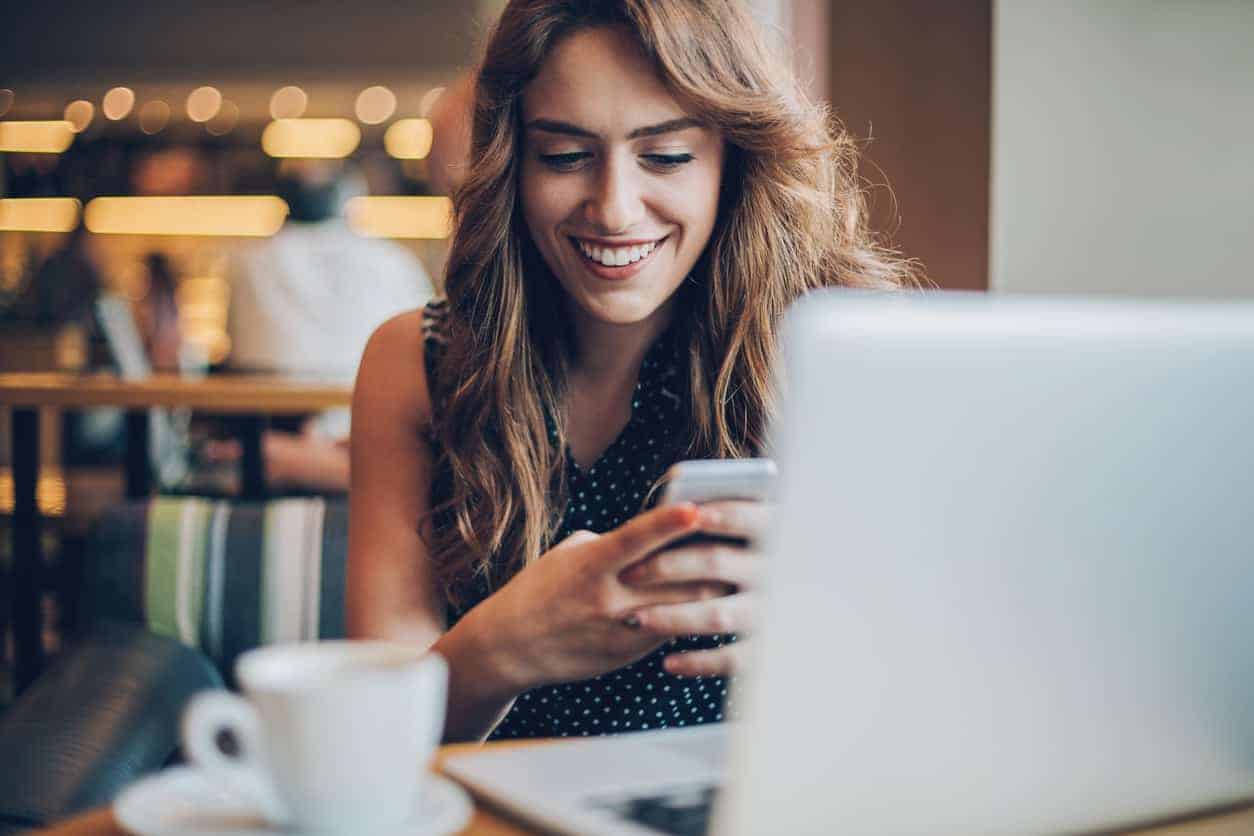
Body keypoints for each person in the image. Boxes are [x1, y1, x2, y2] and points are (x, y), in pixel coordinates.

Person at [348, 0, 918, 742]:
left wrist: (841, 625)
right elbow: (372, 740)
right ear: (510, 165)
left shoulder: (831, 354)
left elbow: (916, 699)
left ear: (733, 161)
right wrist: (500, 648)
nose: (614, 209)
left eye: (667, 156)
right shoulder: (417, 362)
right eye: (564, 155)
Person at [211, 160, 435, 492]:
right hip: (374, 433)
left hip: (269, 439)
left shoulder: (246, 260)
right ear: (346, 201)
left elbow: (230, 346)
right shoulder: (391, 259)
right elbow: (431, 346)